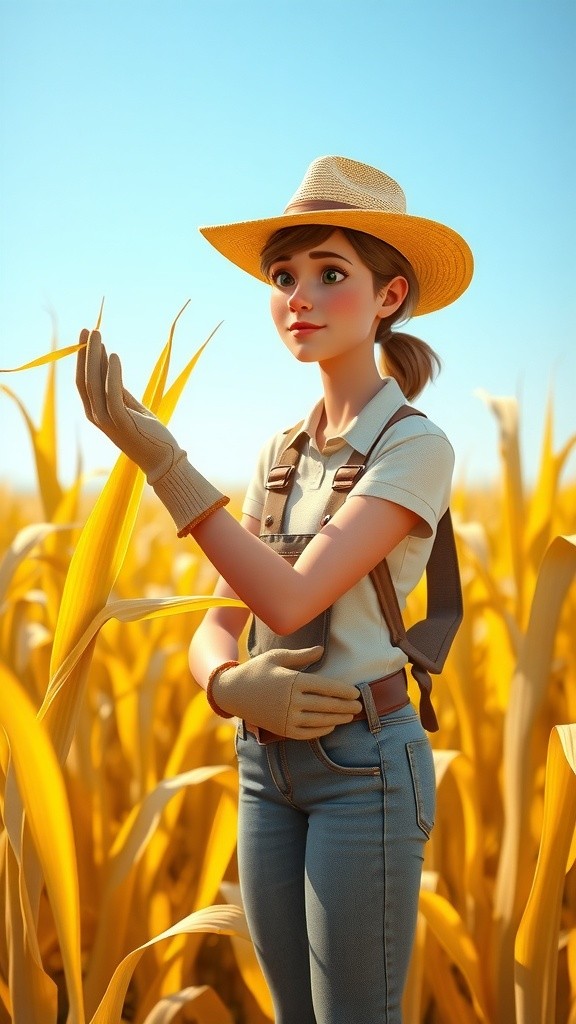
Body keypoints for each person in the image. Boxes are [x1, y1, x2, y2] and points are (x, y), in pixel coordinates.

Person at [76, 155, 473, 1024]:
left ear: (389, 295)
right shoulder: (279, 454)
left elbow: (290, 601)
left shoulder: (415, 446)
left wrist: (166, 465)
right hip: (264, 765)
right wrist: (226, 685)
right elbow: (217, 621)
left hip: (364, 765)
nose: (299, 296)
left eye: (331, 274)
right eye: (284, 276)